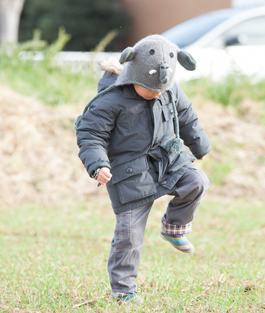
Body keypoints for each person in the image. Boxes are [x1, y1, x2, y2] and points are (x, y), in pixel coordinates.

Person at [76, 35, 211, 303]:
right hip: (128, 173)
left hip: (166, 159)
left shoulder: (169, 89)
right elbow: (90, 134)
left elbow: (186, 116)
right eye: (151, 89)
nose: (158, 93)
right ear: (133, 77)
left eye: (163, 88)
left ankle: (174, 227)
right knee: (129, 235)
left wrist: (200, 146)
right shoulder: (110, 100)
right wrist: (98, 164)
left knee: (197, 181)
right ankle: (124, 290)